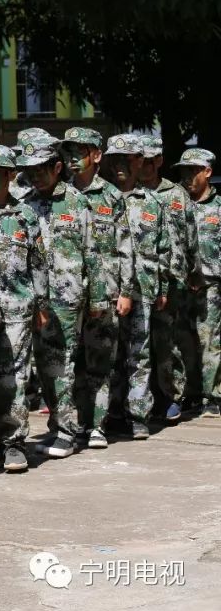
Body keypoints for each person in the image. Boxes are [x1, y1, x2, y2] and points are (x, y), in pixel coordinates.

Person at [19, 141, 97, 457]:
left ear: (57, 168)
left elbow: (93, 253)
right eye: (30, 171)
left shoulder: (77, 203)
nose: (35, 176)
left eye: (41, 170)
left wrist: (99, 298)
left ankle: (68, 431)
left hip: (68, 297)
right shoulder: (25, 205)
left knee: (63, 365)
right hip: (36, 300)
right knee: (44, 366)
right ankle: (57, 426)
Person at [0, 145, 48, 472]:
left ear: (10, 175)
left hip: (18, 307)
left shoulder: (24, 215)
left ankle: (15, 443)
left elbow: (39, 263)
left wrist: (42, 304)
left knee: (14, 378)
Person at [62, 126, 134, 449]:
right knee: (70, 362)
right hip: (69, 293)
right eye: (69, 151)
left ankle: (97, 425)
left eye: (80, 151)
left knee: (101, 361)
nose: (73, 158)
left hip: (105, 292)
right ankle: (74, 423)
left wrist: (126, 291)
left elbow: (125, 247)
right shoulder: (61, 195)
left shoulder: (111, 197)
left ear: (96, 155)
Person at [104, 134, 172, 440]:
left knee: (138, 355)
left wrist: (164, 288)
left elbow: (164, 249)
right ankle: (110, 412)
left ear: (140, 162)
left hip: (143, 290)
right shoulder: (100, 200)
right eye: (115, 159)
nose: (120, 165)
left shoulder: (152, 203)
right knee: (107, 356)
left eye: (127, 159)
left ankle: (137, 414)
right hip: (107, 292)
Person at [138, 136, 195, 421]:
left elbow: (191, 237)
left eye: (150, 161)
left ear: (159, 161)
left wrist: (190, 271)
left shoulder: (176, 194)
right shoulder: (131, 194)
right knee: (139, 344)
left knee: (166, 341)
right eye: (140, 161)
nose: (145, 167)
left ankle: (172, 395)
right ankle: (141, 400)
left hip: (172, 281)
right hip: (140, 280)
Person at [175, 148, 221, 416]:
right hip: (180, 284)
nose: (188, 177)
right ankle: (189, 393)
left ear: (207, 172)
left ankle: (212, 396)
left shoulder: (218, 207)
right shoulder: (177, 204)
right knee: (182, 341)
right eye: (184, 171)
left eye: (193, 171)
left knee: (209, 340)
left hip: (211, 285)